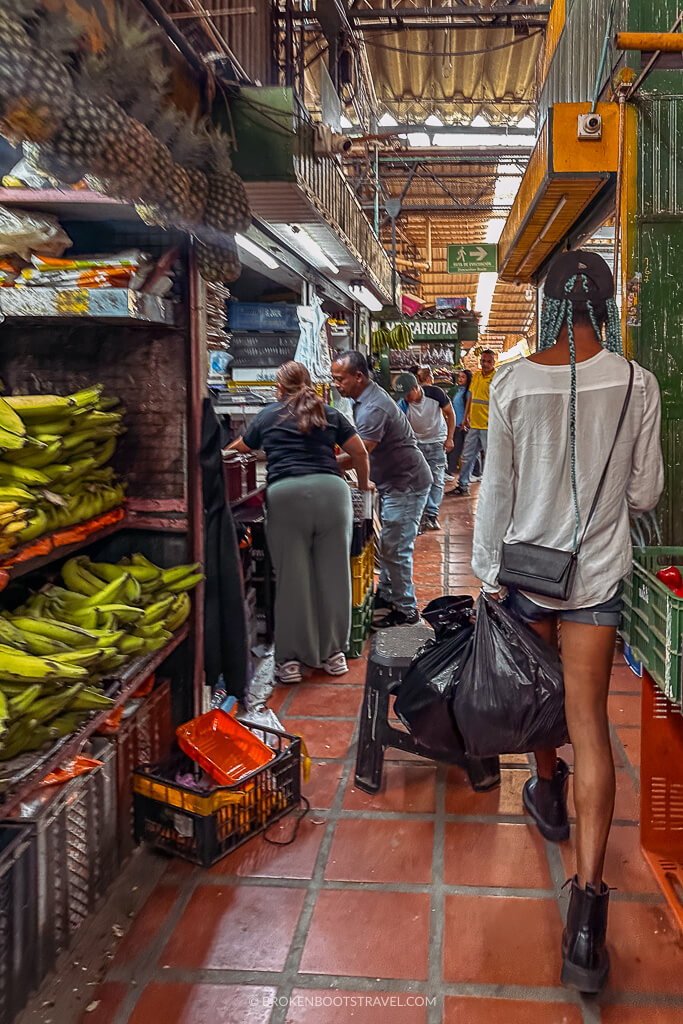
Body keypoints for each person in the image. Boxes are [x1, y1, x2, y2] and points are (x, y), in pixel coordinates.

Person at [471, 250, 663, 993]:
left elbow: (495, 492)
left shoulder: (514, 381)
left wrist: (487, 570)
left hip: (524, 574)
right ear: (605, 307)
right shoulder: (636, 382)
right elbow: (644, 495)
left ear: (547, 308)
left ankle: (545, 794)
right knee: (585, 717)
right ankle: (586, 923)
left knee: (534, 698)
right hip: (595, 578)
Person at [227, 361, 371, 684]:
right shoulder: (328, 413)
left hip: (286, 497)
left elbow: (240, 450)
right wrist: (363, 490)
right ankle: (334, 655)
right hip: (332, 495)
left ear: (279, 388)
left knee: (293, 579)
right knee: (335, 575)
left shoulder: (269, 415)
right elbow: (360, 452)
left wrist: (218, 453)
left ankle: (291, 662)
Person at [331, 350, 432, 628]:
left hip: (406, 483)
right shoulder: (364, 399)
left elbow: (361, 454)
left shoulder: (373, 407)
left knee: (396, 548)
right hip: (394, 481)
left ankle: (407, 611)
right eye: (334, 379)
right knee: (388, 544)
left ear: (358, 376)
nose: (336, 385)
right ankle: (388, 597)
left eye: (340, 379)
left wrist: (323, 464)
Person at [395, 370, 455, 531]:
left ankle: (431, 515)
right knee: (416, 480)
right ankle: (419, 514)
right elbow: (399, 425)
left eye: (408, 394)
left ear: (416, 387)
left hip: (436, 441)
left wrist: (450, 438)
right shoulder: (403, 403)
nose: (406, 398)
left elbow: (450, 413)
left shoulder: (436, 394)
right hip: (416, 443)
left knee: (436, 478)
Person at [454, 349, 496, 495]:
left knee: (490, 458)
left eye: (488, 361)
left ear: (493, 362)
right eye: (483, 361)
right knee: (467, 456)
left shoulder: (496, 378)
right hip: (474, 425)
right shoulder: (477, 376)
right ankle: (463, 485)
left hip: (488, 425)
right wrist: (465, 418)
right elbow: (470, 399)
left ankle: (490, 488)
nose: (485, 364)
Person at [447, 368, 472, 476]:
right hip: (456, 424)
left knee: (467, 449)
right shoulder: (458, 391)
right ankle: (450, 470)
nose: (460, 379)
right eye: (459, 376)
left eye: (463, 377)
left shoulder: (468, 392)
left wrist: (465, 420)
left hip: (463, 425)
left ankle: (475, 472)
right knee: (456, 448)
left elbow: (470, 408)